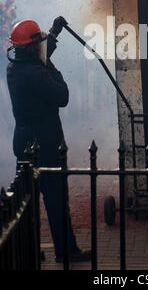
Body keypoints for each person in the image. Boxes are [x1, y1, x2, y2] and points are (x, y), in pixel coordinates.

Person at [6, 16, 91, 263]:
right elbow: (61, 96)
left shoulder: (17, 66)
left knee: (27, 202)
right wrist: (55, 70)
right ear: (31, 46)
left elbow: (40, 56)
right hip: (44, 143)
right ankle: (67, 251)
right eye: (40, 41)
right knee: (55, 199)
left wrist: (53, 35)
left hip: (24, 142)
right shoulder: (36, 73)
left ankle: (30, 250)